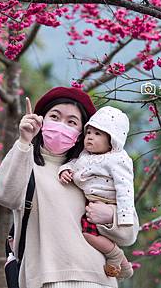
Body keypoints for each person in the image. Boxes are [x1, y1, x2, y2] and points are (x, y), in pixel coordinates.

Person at [0, 87, 139, 288]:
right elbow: (4, 195)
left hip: (98, 279)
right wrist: (24, 140)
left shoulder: (94, 170)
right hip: (46, 278)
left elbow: (129, 235)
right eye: (54, 116)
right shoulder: (25, 161)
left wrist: (110, 216)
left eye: (72, 122)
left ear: (81, 133)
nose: (61, 126)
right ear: (41, 121)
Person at [58, 106, 135, 279]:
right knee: (88, 232)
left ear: (112, 140)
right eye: (89, 133)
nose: (90, 137)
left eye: (97, 134)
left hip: (109, 203)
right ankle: (123, 265)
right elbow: (74, 164)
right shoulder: (85, 155)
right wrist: (64, 170)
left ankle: (114, 254)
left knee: (88, 234)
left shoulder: (118, 159)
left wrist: (124, 217)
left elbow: (125, 189)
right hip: (92, 202)